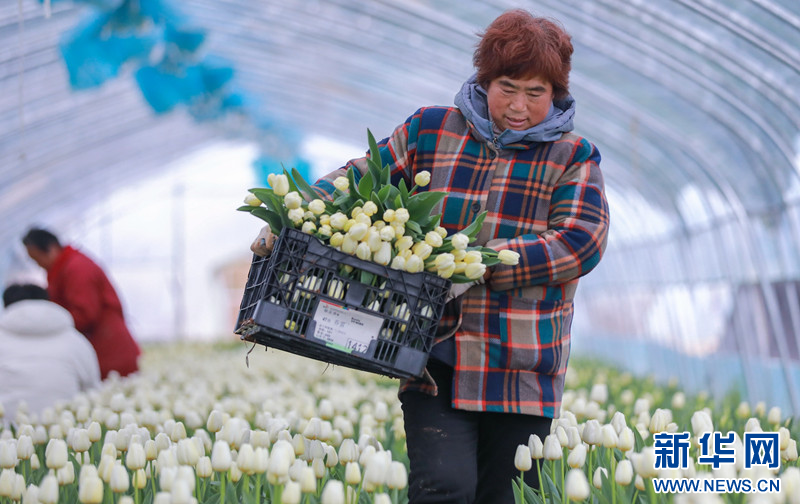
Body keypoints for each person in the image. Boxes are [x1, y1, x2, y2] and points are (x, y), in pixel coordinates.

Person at [251, 9, 609, 503]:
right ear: (485, 81)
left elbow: (582, 239)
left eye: (535, 93)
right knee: (443, 488)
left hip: (522, 364)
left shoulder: (572, 155)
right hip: (434, 352)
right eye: (507, 88)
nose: (519, 106)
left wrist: (482, 263)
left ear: (556, 92)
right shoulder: (432, 130)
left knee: (508, 495)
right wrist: (291, 215)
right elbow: (360, 179)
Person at [22, 228, 141, 379]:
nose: (39, 265)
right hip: (99, 346)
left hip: (108, 349)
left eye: (37, 259)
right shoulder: (65, 268)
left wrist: (50, 325)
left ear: (51, 249)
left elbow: (85, 314)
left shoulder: (77, 268)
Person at [0, 284, 100, 424]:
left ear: (6, 306)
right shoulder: (75, 340)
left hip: (5, 427)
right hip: (66, 429)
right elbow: (92, 390)